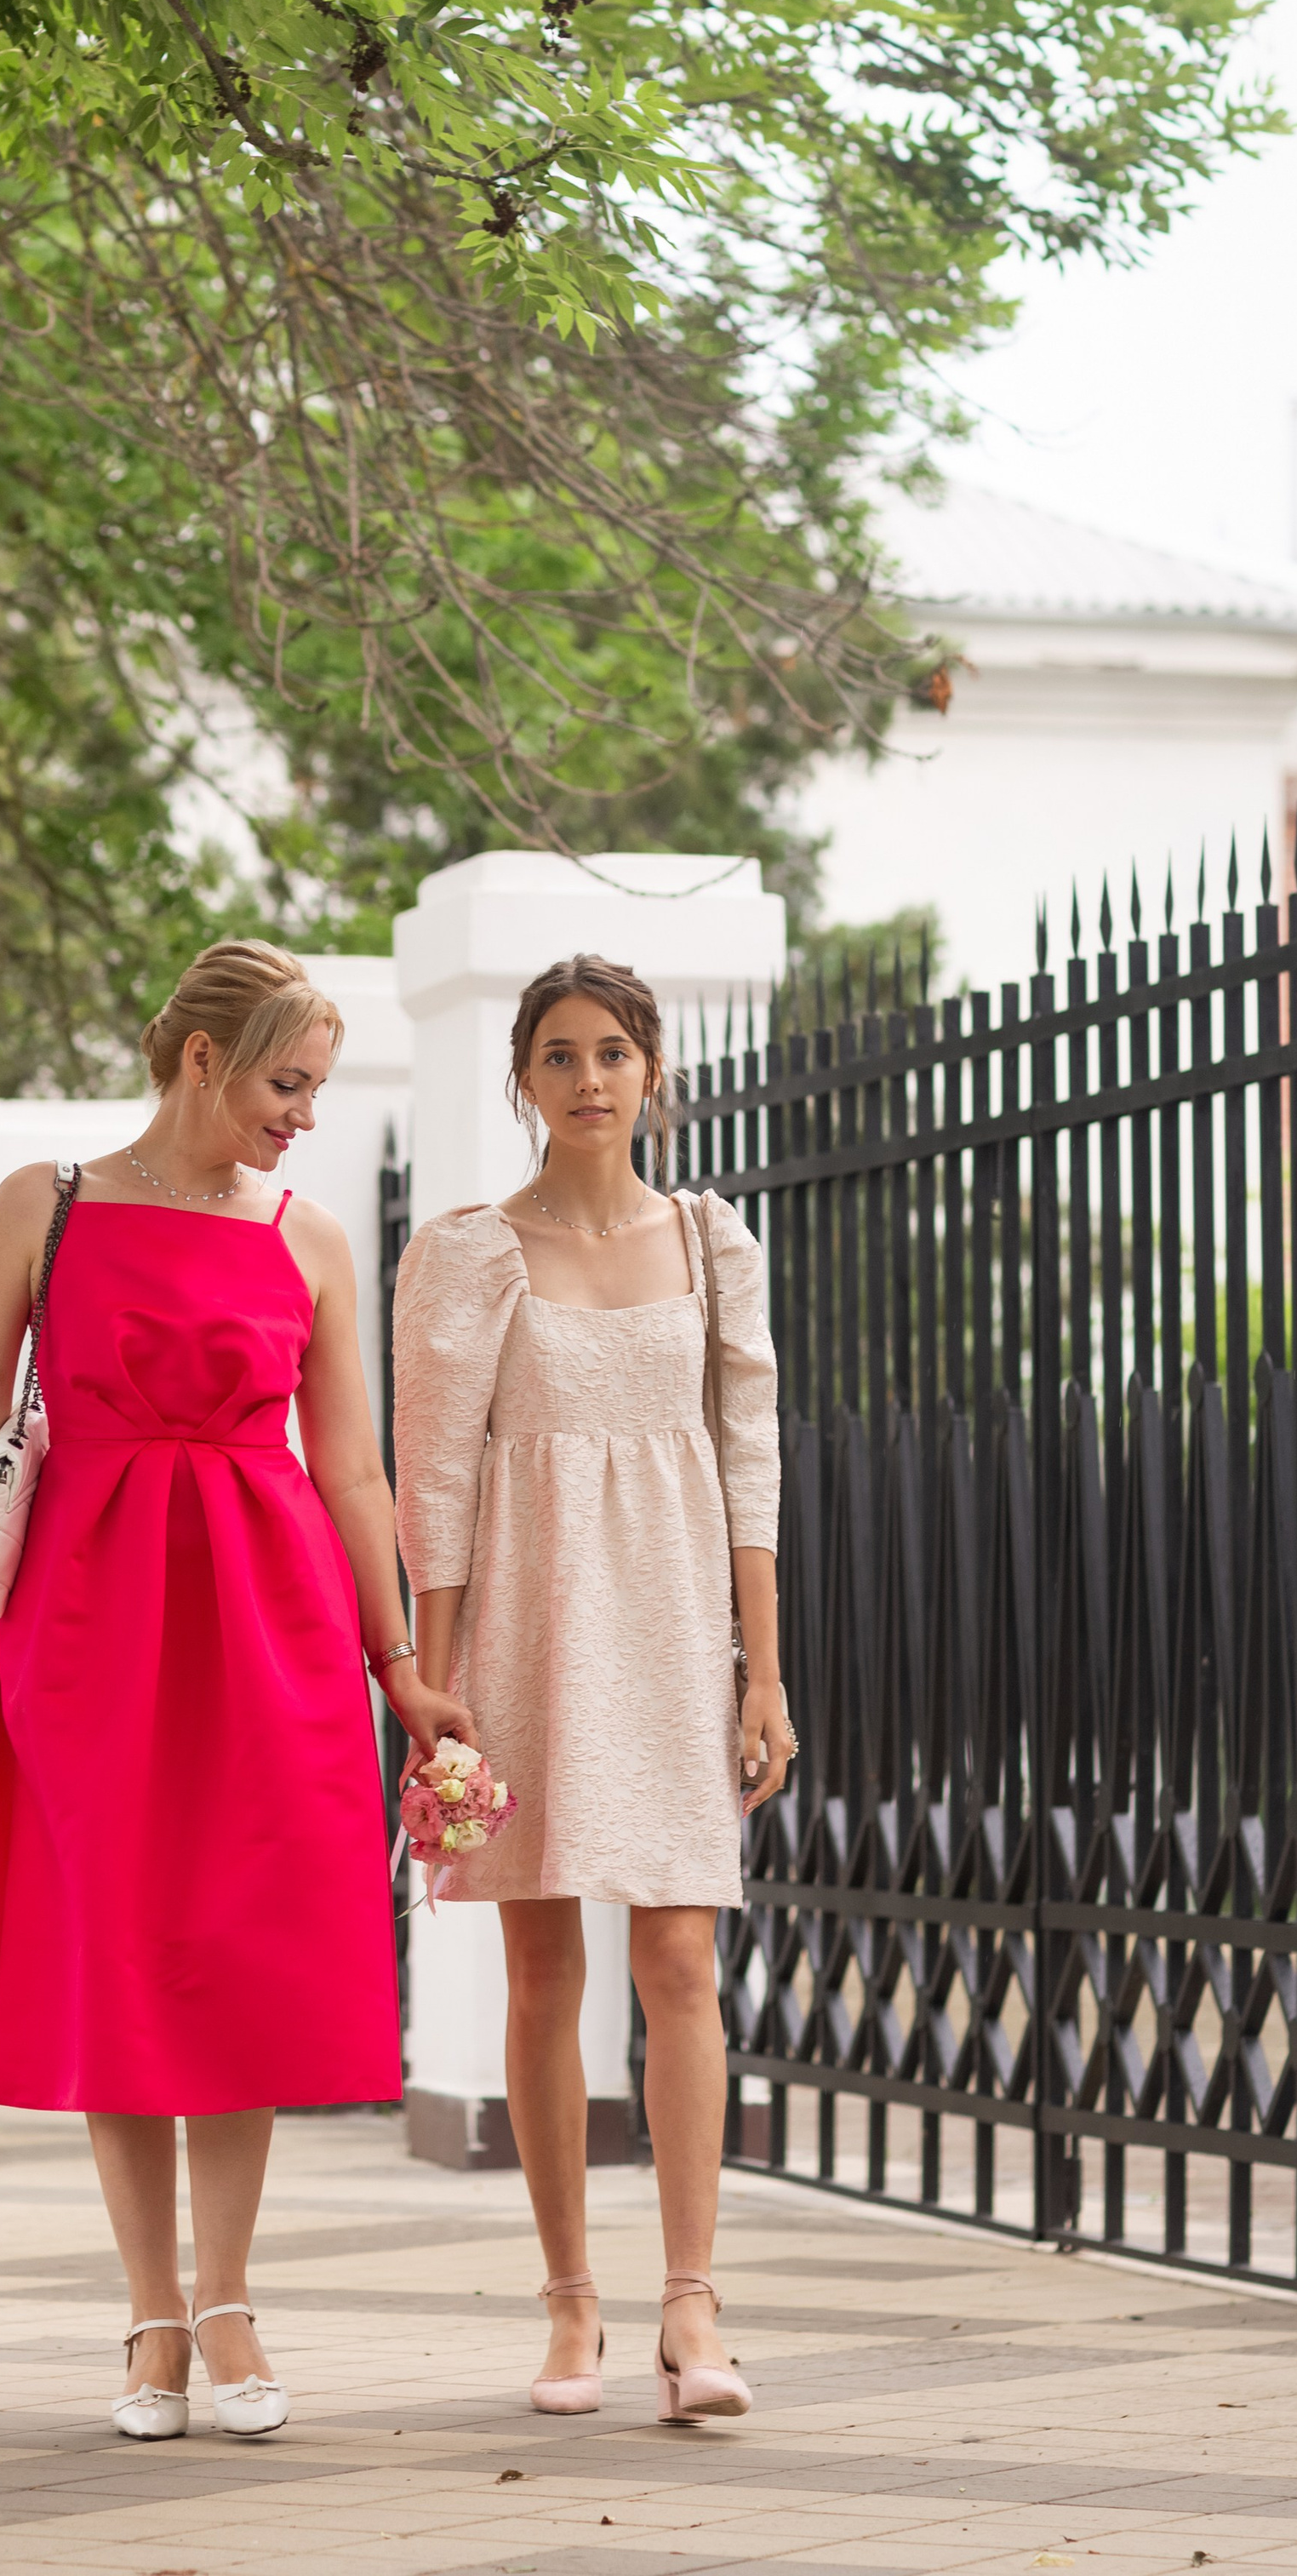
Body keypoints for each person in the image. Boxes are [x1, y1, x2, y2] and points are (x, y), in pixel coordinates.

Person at [0, 940, 474, 2444]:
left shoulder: (311, 1239)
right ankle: (150, 2320)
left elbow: (357, 1469)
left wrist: (400, 1670)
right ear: (200, 1059)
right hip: (90, 1618)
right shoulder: (43, 1209)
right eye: (285, 1084)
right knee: (117, 1944)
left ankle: (232, 2299)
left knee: (235, 1946)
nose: (303, 1117)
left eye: (315, 1090)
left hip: (271, 1618)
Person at [391, 953, 793, 2423]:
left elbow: (750, 1460)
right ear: (523, 1079)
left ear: (651, 1071)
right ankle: (572, 2309)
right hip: (525, 1626)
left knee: (679, 1957)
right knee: (545, 1969)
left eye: (611, 1051)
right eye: (557, 1055)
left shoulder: (710, 1241)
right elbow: (434, 1483)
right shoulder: (467, 1254)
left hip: (679, 1623)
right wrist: (434, 1694)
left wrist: (764, 1670)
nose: (586, 1079)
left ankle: (693, 2304)